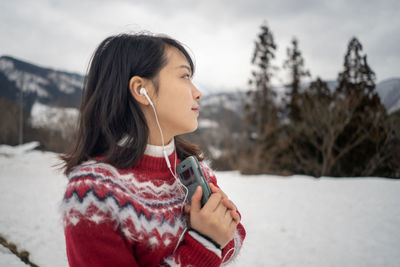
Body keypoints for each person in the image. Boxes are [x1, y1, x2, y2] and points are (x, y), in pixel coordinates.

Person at [59, 32, 246, 267]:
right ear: (141, 89)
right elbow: (217, 245)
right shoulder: (93, 194)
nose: (198, 92)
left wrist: (223, 225)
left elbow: (236, 236)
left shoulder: (191, 172)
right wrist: (205, 243)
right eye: (185, 75)